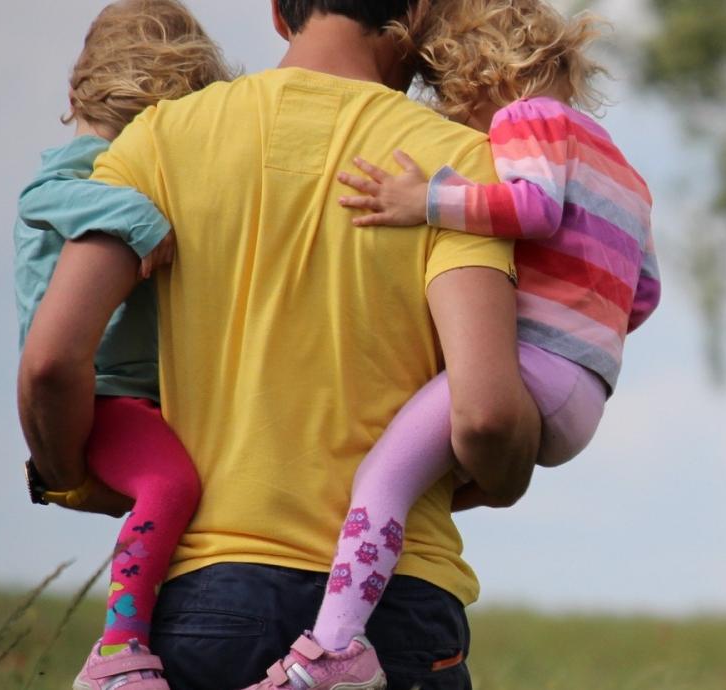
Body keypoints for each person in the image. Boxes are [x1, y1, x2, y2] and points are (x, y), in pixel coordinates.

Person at [17, 0, 542, 687]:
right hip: (392, 611)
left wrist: (72, 477)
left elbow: (53, 361)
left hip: (207, 600)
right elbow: (487, 415)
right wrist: (506, 475)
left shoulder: (157, 140)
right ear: (416, 12)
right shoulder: (454, 166)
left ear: (276, 12)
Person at [280, 0, 658, 675]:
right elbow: (645, 293)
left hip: (535, 369)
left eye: (454, 101)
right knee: (426, 484)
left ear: (485, 77)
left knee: (382, 479)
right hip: (586, 394)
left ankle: (335, 649)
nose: (461, 127)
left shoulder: (526, 117)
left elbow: (535, 210)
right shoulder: (626, 172)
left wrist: (425, 199)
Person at [13, 2, 229, 687]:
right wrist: (137, 213)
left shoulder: (109, 158)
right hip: (104, 392)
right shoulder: (80, 171)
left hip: (140, 391)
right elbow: (42, 197)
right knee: (170, 483)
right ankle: (117, 648)